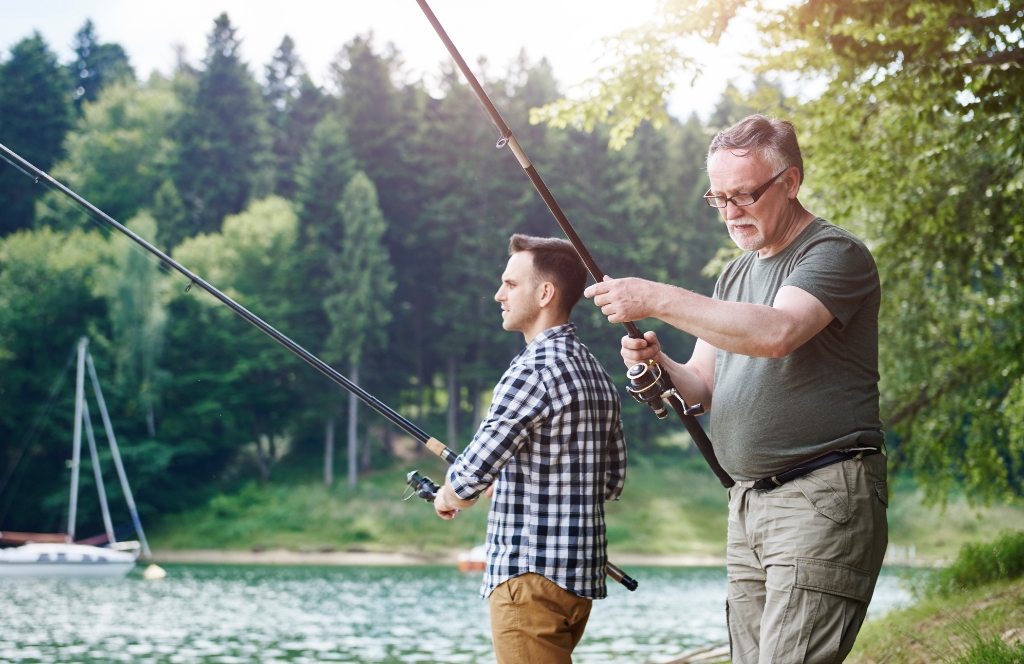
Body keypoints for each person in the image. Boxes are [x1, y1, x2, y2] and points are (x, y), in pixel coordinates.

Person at [585, 114, 887, 663]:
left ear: (790, 182)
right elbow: (700, 387)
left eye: (743, 195)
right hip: (747, 504)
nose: (729, 212)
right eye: (718, 198)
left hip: (820, 500)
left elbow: (777, 333)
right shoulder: (734, 276)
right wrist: (659, 365)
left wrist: (657, 298)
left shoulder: (834, 254)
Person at [433, 234, 627, 664]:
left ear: (545, 293)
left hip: (528, 579)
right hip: (578, 582)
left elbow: (468, 477)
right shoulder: (594, 372)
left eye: (510, 284)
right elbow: (610, 482)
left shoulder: (532, 371)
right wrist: (514, 479)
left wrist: (447, 495)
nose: (498, 294)